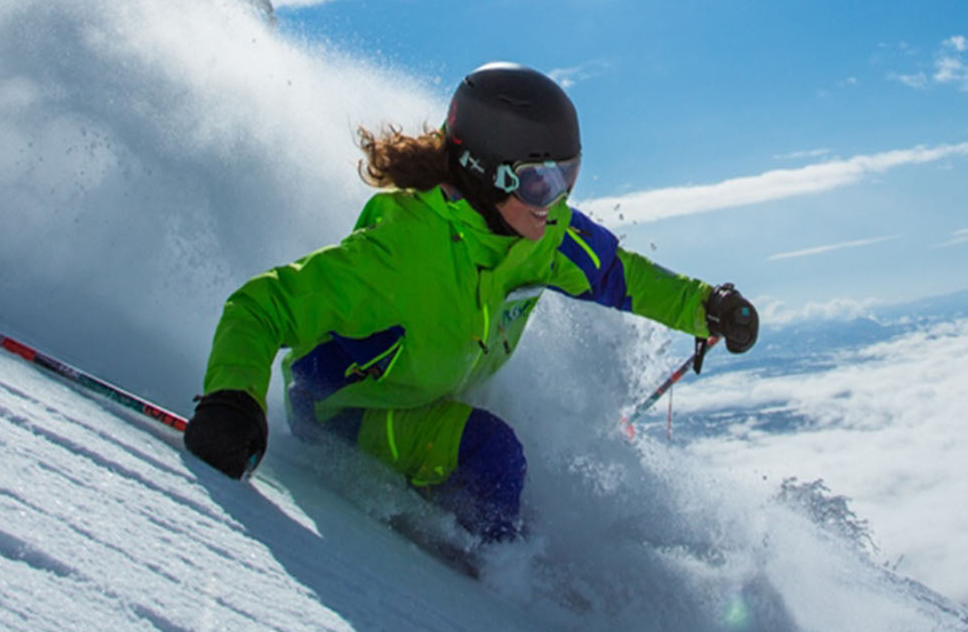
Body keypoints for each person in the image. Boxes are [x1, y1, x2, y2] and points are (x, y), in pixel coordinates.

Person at [185, 62, 759, 543]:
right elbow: (259, 306)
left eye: (570, 176)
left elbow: (616, 274)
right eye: (541, 183)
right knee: (492, 455)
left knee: (509, 453)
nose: (555, 201)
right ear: (488, 177)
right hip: (344, 410)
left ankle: (488, 532)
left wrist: (703, 305)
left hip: (429, 385)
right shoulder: (399, 255)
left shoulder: (542, 233)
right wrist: (233, 402)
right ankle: (483, 582)